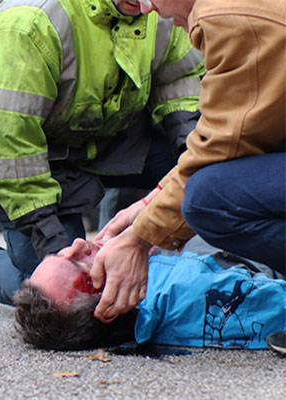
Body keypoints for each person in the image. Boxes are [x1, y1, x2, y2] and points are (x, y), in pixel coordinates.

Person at [0, 0, 204, 307]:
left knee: (202, 165)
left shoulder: (160, 7)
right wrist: (56, 248)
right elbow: (14, 145)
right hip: (23, 153)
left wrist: (195, 156)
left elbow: (177, 78)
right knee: (62, 293)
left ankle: (117, 235)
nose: (147, 6)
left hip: (106, 129)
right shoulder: (28, 24)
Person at [86, 0, 285, 330]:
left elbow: (223, 145)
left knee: (207, 201)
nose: (148, 10)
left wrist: (140, 238)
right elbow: (234, 132)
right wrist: (150, 204)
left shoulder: (224, 17)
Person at [14, 237, 286, 353]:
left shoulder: (142, 275)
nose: (76, 244)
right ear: (111, 304)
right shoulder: (190, 290)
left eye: (60, 253)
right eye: (80, 263)